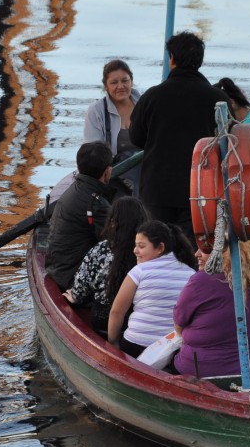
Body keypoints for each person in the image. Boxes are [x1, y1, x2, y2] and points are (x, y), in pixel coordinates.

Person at [128, 32, 229, 239]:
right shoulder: (217, 99)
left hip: (157, 188)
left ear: (172, 59)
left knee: (156, 248)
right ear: (200, 61)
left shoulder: (152, 96)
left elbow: (136, 138)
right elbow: (229, 143)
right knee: (190, 251)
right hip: (200, 190)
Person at [172, 238, 250, 378]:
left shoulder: (200, 281)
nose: (196, 254)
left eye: (204, 249)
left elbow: (179, 326)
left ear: (224, 253)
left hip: (202, 375)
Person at [108, 220, 197, 358]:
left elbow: (117, 311)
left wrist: (112, 342)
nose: (135, 250)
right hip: (173, 348)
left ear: (160, 248)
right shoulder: (191, 274)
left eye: (141, 246)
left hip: (135, 344)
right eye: (135, 245)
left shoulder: (139, 271)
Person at [64, 196, 150, 334]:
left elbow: (79, 291)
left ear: (113, 222)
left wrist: (73, 296)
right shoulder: (148, 251)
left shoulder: (101, 249)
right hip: (136, 322)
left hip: (102, 320)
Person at [45, 141, 114, 290]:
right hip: (73, 279)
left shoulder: (74, 190)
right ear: (107, 171)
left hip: (58, 270)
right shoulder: (96, 204)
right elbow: (116, 243)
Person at [83, 59, 143, 198]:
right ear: (106, 86)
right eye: (114, 83)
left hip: (144, 167)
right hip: (114, 173)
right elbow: (92, 151)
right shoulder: (96, 110)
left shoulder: (145, 104)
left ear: (131, 81)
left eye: (124, 81)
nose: (120, 86)